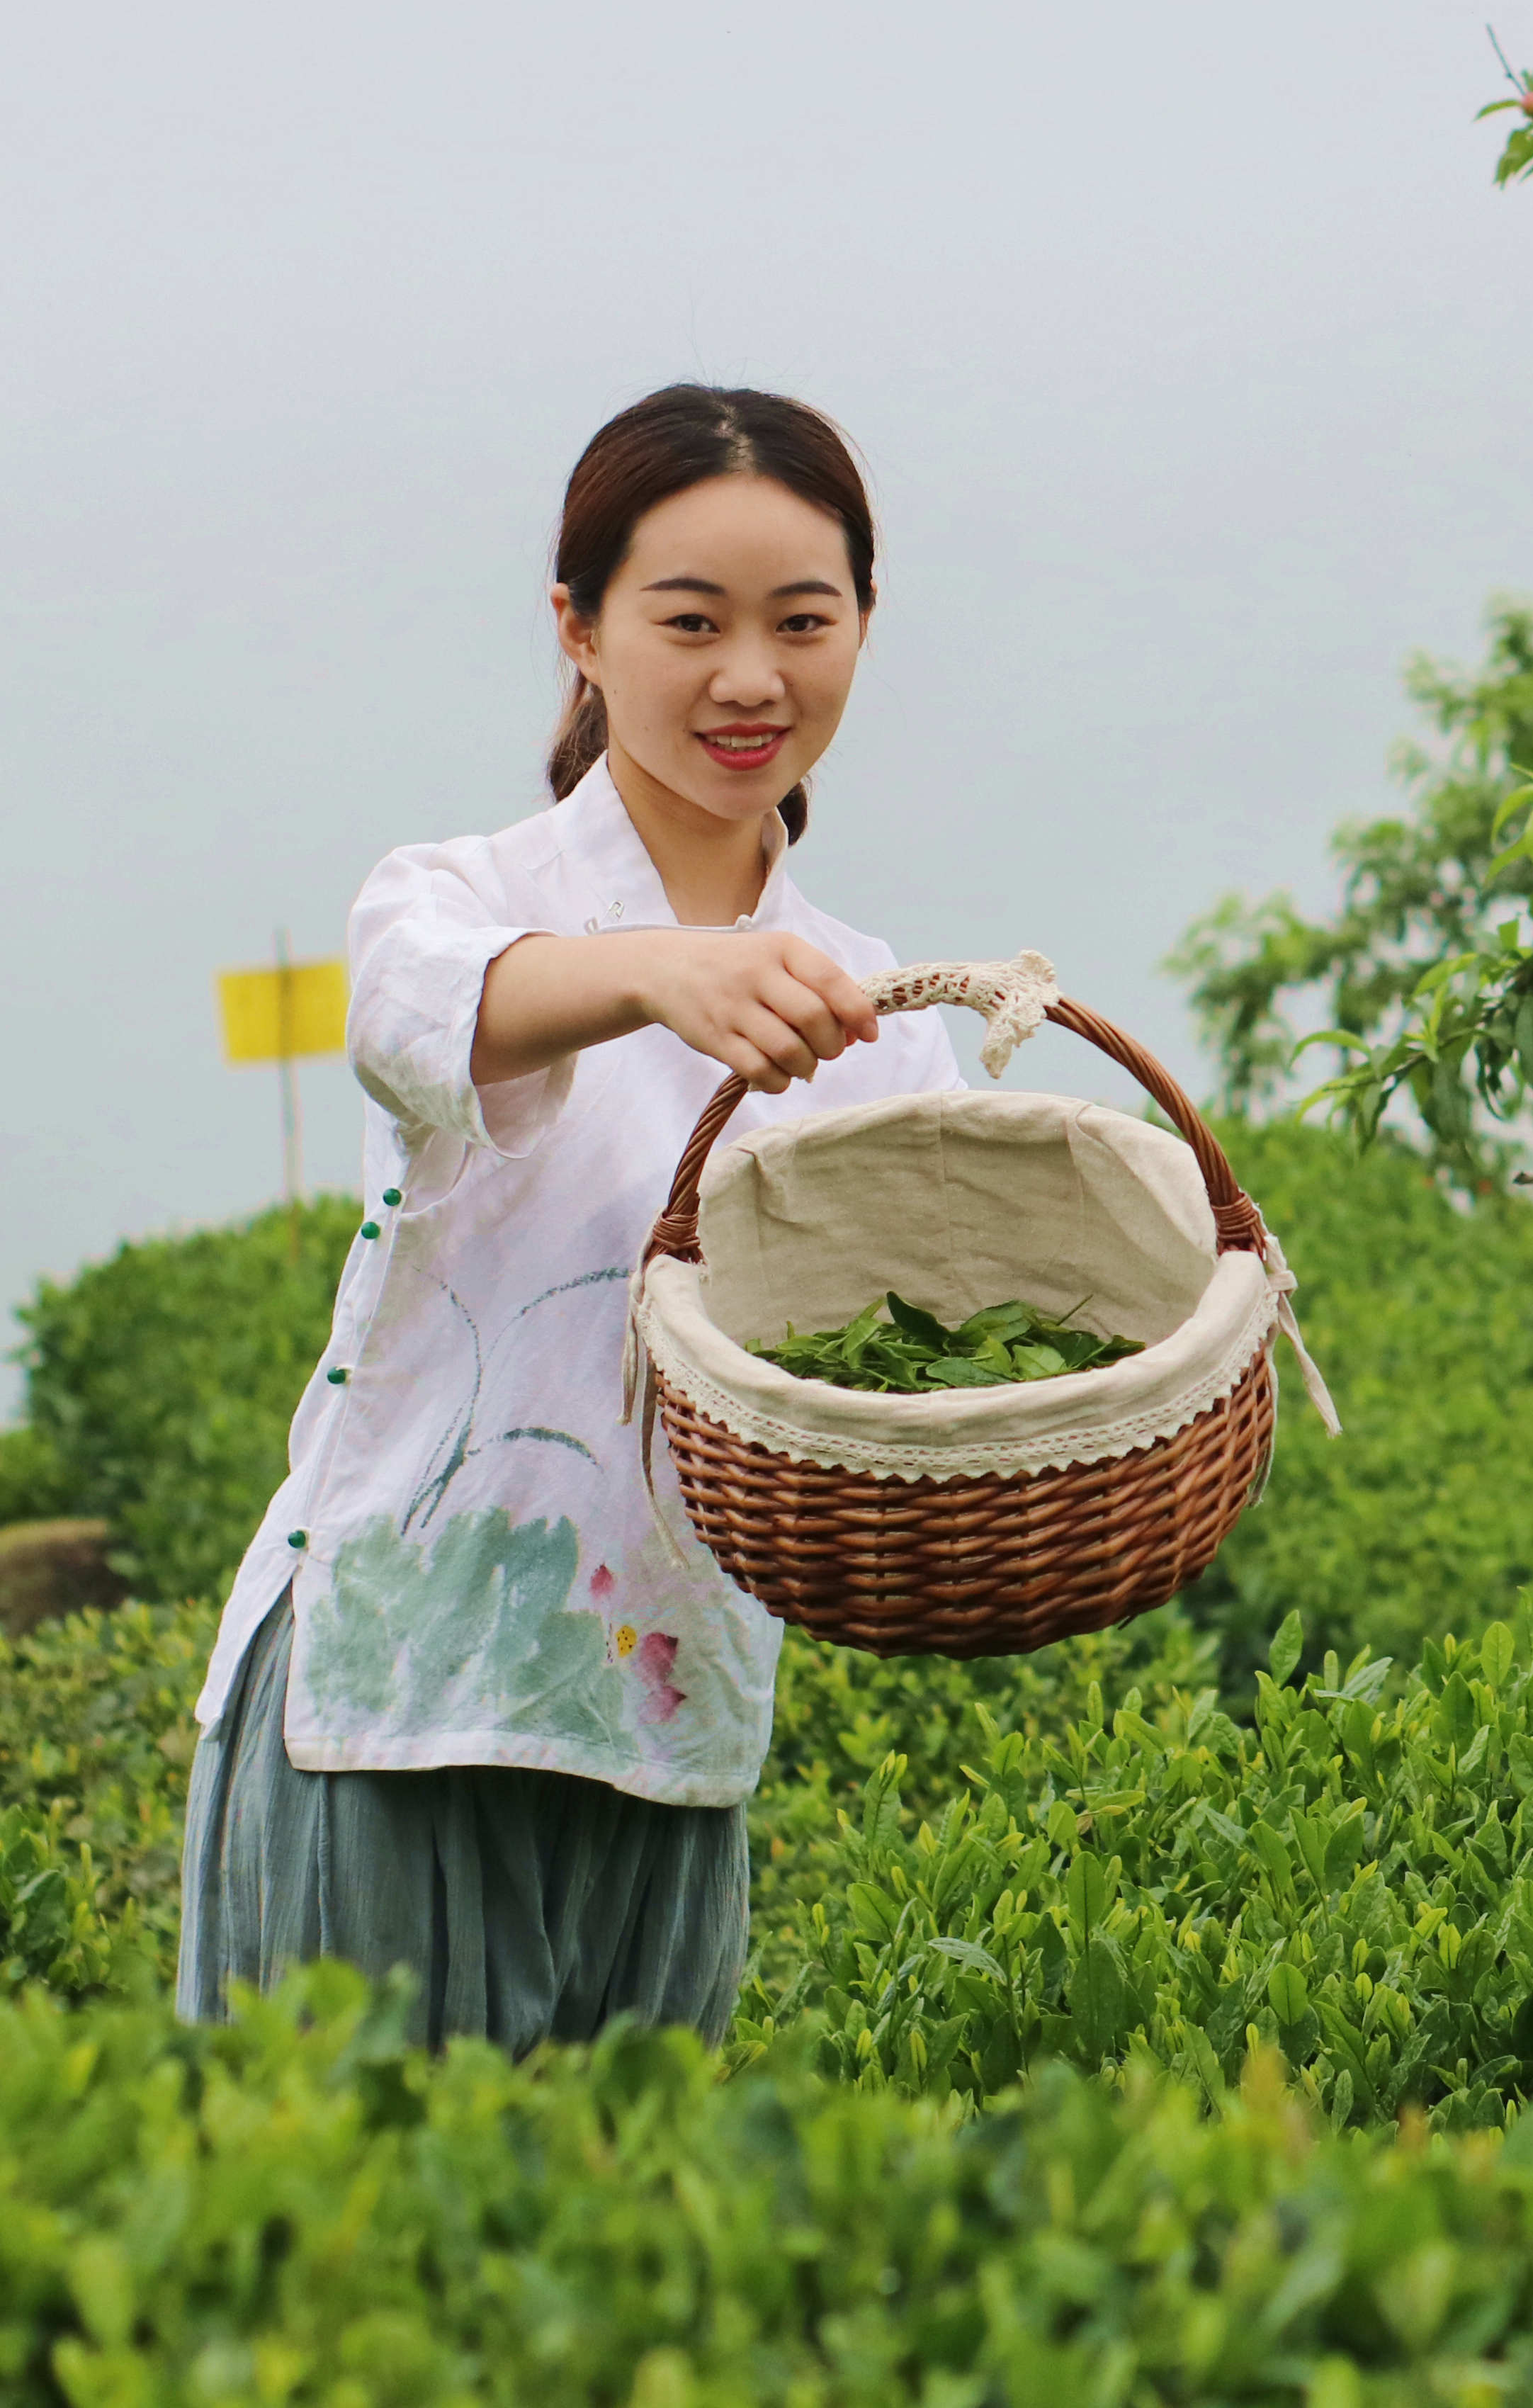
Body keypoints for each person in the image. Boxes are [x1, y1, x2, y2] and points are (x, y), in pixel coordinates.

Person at [176, 385, 967, 2051]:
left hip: (669, 1722)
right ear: (581, 631)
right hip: (398, 1701)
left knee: (602, 2280)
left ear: (864, 630)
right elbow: (419, 1013)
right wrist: (662, 973)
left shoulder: (885, 1015)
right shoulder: (456, 897)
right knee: (347, 2260)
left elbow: (925, 1364)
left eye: (802, 621)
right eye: (690, 619)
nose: (750, 676)